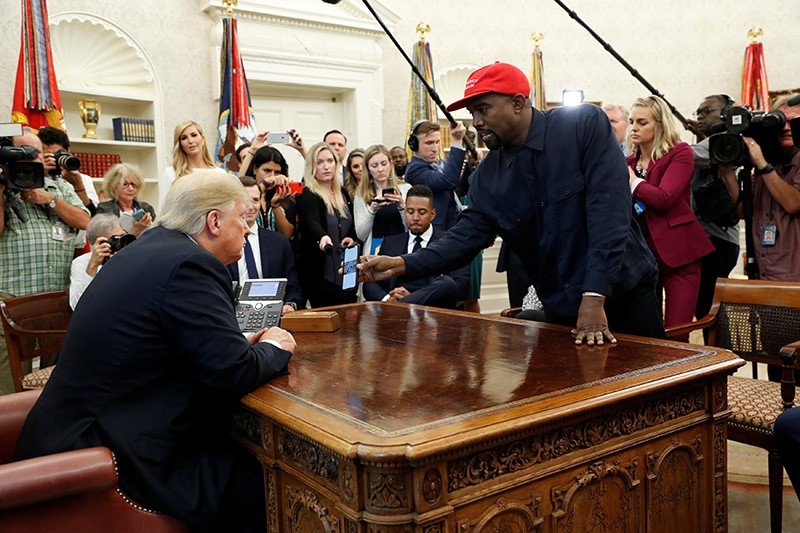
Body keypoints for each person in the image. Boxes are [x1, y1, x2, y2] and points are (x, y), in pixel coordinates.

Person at [14, 171, 296, 530]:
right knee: (258, 478)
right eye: (242, 218)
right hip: (109, 460)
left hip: (72, 436)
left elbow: (168, 343)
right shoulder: (192, 265)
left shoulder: (149, 248)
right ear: (213, 221)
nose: (247, 228)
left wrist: (237, 344)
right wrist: (275, 345)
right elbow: (231, 373)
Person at [358, 61, 664, 345]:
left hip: (623, 292)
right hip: (562, 305)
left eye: (483, 110)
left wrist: (594, 295)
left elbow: (609, 215)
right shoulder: (487, 176)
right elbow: (464, 238)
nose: (476, 121)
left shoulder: (582, 126)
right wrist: (401, 263)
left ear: (517, 102)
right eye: (473, 112)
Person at [0, 127, 91, 395]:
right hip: (11, 303)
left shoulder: (60, 186)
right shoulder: (4, 187)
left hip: (55, 304)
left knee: (57, 384)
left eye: (37, 152)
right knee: (10, 387)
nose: (34, 158)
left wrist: (49, 199)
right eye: (24, 152)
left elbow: (85, 221)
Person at [627, 95, 714, 338]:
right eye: (631, 121)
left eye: (642, 122)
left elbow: (664, 198)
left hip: (680, 255)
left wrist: (633, 182)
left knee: (677, 334)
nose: (633, 127)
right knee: (648, 331)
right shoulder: (629, 161)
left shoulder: (679, 153)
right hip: (643, 258)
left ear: (660, 125)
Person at [363, 185, 469, 309]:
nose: (415, 218)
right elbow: (370, 284)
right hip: (393, 312)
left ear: (433, 214)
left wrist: (415, 297)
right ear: (405, 210)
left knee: (446, 282)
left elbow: (462, 285)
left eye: (422, 212)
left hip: (433, 311)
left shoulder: (450, 242)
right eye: (410, 211)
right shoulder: (391, 242)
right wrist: (388, 299)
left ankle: (404, 305)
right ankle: (401, 306)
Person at [686, 94, 741, 319]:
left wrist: (663, 137)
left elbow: (687, 157)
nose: (700, 116)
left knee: (709, 310)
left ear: (726, 113)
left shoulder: (726, 138)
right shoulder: (710, 140)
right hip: (712, 238)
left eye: (707, 111)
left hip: (716, 238)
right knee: (706, 306)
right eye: (698, 112)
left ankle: (718, 350)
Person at [743, 93, 800, 281]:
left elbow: (794, 203)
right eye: (780, 122)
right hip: (765, 273)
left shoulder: (764, 165)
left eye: (794, 122)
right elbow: (742, 211)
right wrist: (727, 171)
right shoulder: (767, 164)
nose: (786, 128)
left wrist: (761, 163)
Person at [227, 176, 303, 315]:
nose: (250, 207)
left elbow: (293, 288)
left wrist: (290, 305)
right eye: (245, 200)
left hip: (273, 317)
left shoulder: (279, 243)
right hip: (233, 318)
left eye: (255, 200)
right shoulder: (222, 242)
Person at [295, 142, 358, 307]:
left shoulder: (342, 193)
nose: (326, 166)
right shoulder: (309, 194)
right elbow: (311, 221)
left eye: (330, 161)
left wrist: (351, 237)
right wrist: (322, 236)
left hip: (348, 270)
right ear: (311, 166)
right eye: (319, 162)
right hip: (322, 275)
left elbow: (350, 224)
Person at [404, 119, 466, 230]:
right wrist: (457, 142)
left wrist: (471, 165)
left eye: (437, 142)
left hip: (451, 228)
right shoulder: (414, 170)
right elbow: (449, 181)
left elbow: (459, 189)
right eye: (429, 143)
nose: (435, 148)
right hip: (436, 233)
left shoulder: (438, 164)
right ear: (414, 145)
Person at [353, 144, 411, 255]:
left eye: (384, 164)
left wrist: (402, 207)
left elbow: (412, 226)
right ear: (368, 169)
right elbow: (361, 235)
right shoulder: (361, 194)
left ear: (390, 164)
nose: (380, 169)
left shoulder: (405, 189)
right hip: (375, 248)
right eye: (374, 166)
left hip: (402, 245)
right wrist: (372, 210)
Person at [69, 213, 130, 309]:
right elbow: (76, 305)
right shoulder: (81, 263)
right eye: (115, 239)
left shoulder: (130, 256)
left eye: (123, 236)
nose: (120, 243)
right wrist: (92, 267)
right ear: (98, 243)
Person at [243, 145, 296, 239]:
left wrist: (276, 205)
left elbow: (287, 234)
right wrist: (263, 186)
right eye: (267, 170)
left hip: (278, 250)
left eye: (277, 172)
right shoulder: (244, 190)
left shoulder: (285, 197)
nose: (272, 176)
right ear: (255, 169)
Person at [96, 163, 156, 237]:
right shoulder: (104, 209)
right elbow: (109, 242)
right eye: (125, 184)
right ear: (114, 186)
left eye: (133, 184)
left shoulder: (146, 208)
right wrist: (136, 230)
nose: (130, 188)